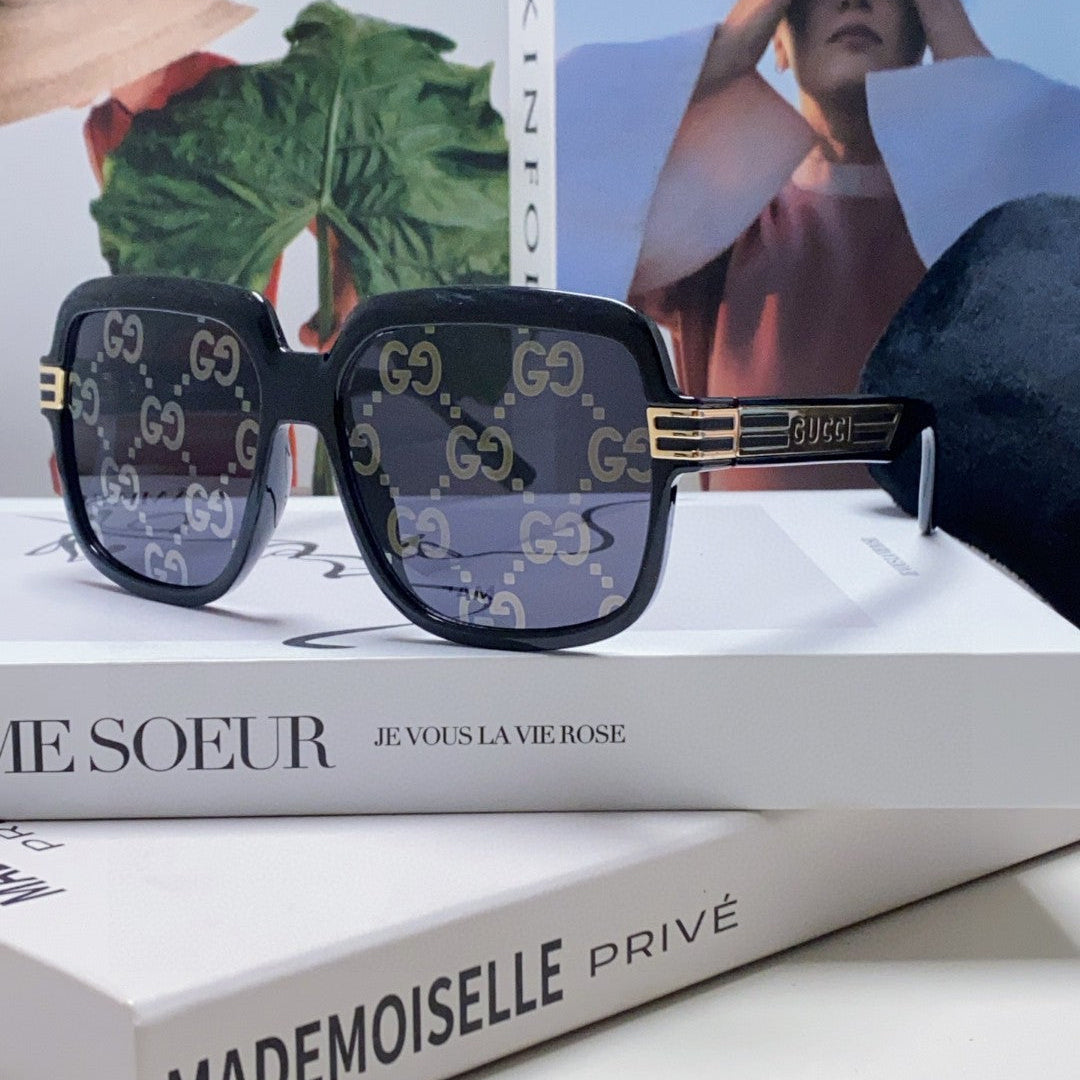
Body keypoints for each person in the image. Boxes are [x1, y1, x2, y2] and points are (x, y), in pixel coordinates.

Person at [556, 0, 1080, 489]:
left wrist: (960, 49)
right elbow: (550, 180)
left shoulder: (978, 229)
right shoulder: (713, 223)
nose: (853, 0)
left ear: (921, 27)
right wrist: (725, 50)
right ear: (778, 39)